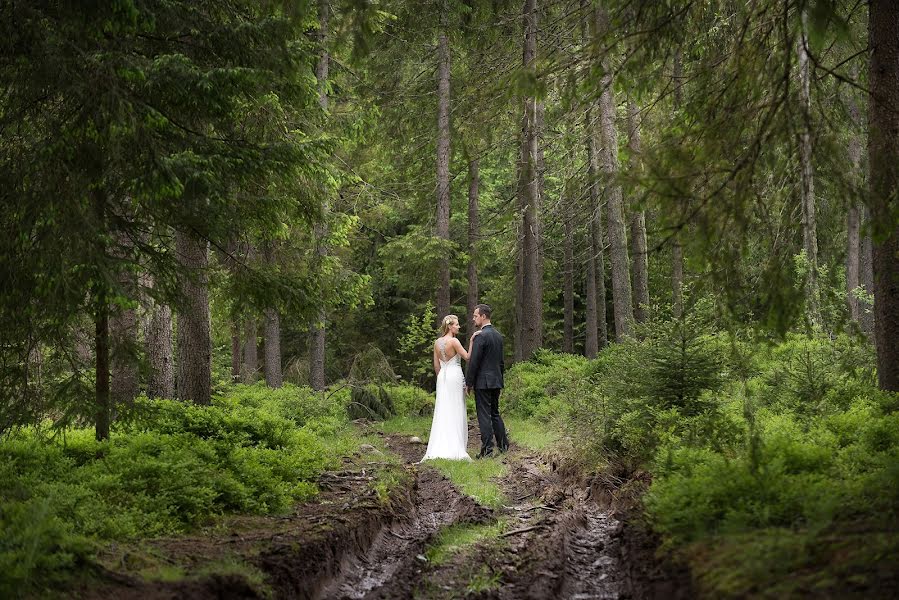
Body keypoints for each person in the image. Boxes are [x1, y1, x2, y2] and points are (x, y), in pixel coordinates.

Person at [420, 315, 480, 461]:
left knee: (443, 408)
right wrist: (472, 341)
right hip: (454, 375)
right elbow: (467, 357)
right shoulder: (454, 341)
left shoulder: (437, 342)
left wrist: (441, 378)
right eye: (457, 325)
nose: (459, 327)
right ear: (450, 326)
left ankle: (440, 444)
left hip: (442, 377)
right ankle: (456, 446)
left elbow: (436, 365)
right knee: (456, 407)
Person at [465, 304, 509, 458]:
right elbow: (501, 362)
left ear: (483, 316)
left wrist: (468, 383)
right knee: (495, 413)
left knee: (484, 415)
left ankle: (487, 450)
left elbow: (474, 362)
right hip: (496, 380)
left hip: (483, 382)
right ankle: (503, 446)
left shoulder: (480, 336)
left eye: (475, 316)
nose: (473, 318)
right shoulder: (498, 336)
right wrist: (500, 379)